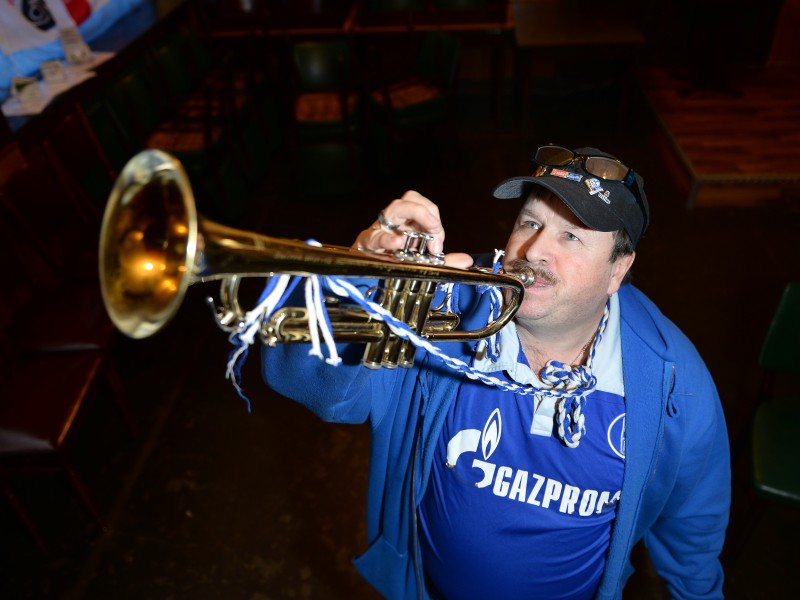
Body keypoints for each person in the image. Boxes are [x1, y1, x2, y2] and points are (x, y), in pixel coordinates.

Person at [261, 145, 730, 599]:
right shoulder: (448, 310)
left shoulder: (674, 381)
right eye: (530, 222)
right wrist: (363, 279)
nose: (536, 249)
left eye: (572, 236)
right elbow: (313, 388)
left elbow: (693, 528)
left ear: (617, 271)